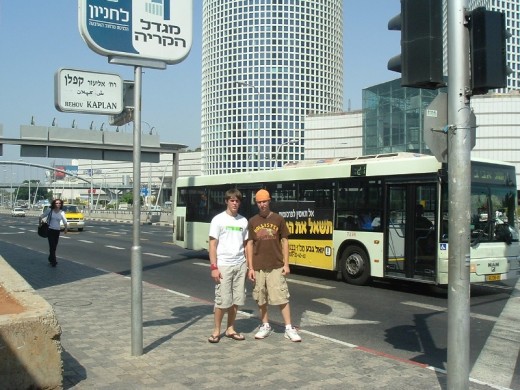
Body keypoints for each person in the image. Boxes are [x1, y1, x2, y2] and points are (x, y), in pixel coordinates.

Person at [246, 189, 301, 342]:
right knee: (261, 297)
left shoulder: (278, 219)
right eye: (259, 202)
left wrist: (286, 264)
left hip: (276, 265)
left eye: (264, 201)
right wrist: (250, 267)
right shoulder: (252, 221)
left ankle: (289, 327)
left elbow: (285, 241)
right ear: (256, 203)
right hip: (258, 266)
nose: (262, 204)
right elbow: (249, 244)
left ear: (269, 201)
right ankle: (265, 325)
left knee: (282, 296)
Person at [207, 188, 249, 343]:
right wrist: (214, 267)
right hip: (223, 265)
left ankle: (230, 328)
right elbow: (212, 245)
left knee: (236, 300)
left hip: (240, 265)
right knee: (222, 301)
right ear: (227, 201)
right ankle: (216, 331)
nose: (235, 203)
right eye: (232, 200)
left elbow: (246, 246)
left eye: (237, 201)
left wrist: (248, 266)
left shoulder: (243, 221)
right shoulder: (218, 220)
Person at [46, 199, 68, 267]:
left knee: (54, 247)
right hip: (50, 230)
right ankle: (54, 261)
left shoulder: (61, 212)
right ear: (54, 204)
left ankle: (50, 258)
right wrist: (40, 223)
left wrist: (66, 228)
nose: (58, 204)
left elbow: (65, 221)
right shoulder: (50, 210)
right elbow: (42, 216)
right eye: (56, 203)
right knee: (52, 246)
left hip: (57, 231)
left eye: (59, 203)